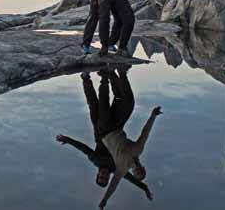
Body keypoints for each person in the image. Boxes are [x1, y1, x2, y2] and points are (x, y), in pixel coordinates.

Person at [55, 69, 153, 201]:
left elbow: (84, 148)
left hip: (101, 131)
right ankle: (108, 75)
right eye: (106, 178)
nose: (104, 175)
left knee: (95, 104)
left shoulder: (96, 160)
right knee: (118, 104)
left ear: (98, 174)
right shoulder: (116, 167)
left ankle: (89, 77)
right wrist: (143, 187)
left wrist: (68, 140)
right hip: (115, 128)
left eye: (101, 177)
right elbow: (129, 177)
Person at [97, 91, 162, 210]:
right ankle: (115, 75)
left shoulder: (122, 168)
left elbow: (113, 185)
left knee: (102, 104)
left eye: (136, 174)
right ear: (143, 168)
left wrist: (104, 201)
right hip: (116, 127)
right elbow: (145, 133)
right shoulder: (138, 150)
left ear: (133, 173)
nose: (138, 172)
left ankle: (102, 77)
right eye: (141, 172)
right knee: (127, 104)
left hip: (104, 132)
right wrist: (153, 116)